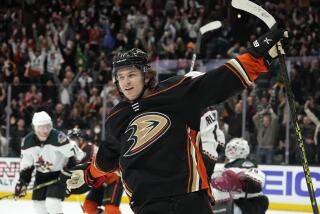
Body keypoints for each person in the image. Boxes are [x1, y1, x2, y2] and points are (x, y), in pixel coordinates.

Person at [66, 28, 287, 214]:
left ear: (145, 75)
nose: (126, 82)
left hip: (189, 199)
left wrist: (258, 55)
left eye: (131, 74)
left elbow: (220, 81)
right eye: (120, 77)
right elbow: (106, 157)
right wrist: (87, 175)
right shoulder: (116, 116)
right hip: (148, 205)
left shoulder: (174, 91)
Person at [14, 111, 81, 214]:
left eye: (47, 126)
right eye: (41, 127)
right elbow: (27, 166)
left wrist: (67, 174)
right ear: (35, 127)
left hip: (59, 174)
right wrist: (22, 183)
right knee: (38, 205)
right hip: (41, 176)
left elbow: (73, 156)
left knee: (52, 203)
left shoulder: (59, 138)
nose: (45, 130)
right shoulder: (27, 142)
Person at [65, 128, 123, 214]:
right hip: (99, 182)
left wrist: (70, 187)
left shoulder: (88, 148)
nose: (71, 143)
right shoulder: (78, 153)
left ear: (81, 140)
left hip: (112, 179)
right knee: (89, 206)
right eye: (70, 140)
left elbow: (85, 174)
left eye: (73, 140)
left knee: (111, 209)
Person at [211, 138, 268, 214]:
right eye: (229, 148)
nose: (230, 150)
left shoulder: (248, 166)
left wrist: (245, 182)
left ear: (243, 150)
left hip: (245, 205)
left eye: (234, 148)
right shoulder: (223, 168)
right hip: (225, 205)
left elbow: (259, 182)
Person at [200, 107, 226, 180]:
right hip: (211, 154)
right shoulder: (211, 113)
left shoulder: (198, 110)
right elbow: (219, 134)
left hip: (202, 152)